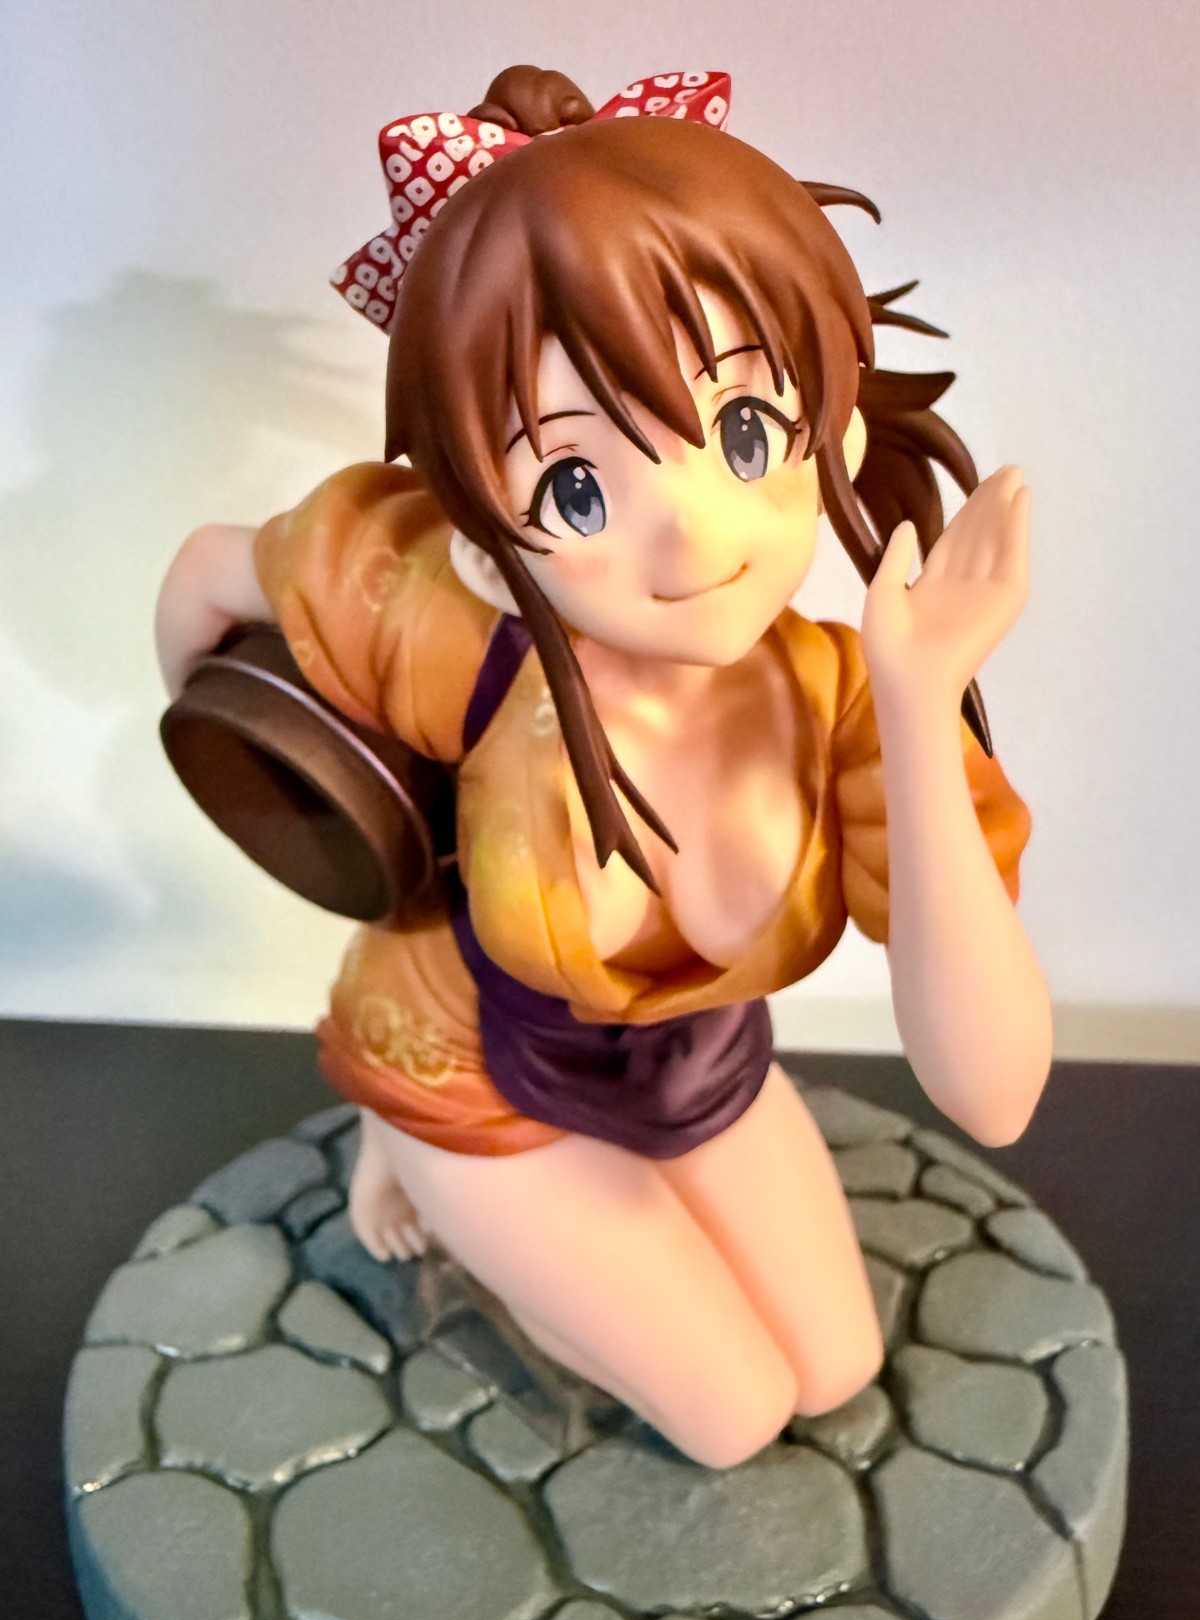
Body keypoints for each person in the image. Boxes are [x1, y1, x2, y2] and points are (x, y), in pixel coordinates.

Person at [155, 66, 1051, 1468]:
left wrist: (921, 693)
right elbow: (211, 577)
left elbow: (993, 1094)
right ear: (481, 523)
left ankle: (579, 1208)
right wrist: (288, 793)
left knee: (837, 1362)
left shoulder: (844, 703)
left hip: (696, 1072)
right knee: (733, 1413)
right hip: (474, 1060)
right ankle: (414, 1151)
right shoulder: (457, 621)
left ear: (833, 414)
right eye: (576, 486)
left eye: (743, 431)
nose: (691, 535)